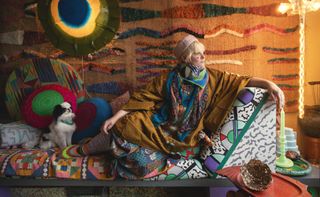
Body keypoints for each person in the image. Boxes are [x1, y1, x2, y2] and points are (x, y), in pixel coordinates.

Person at [63, 35, 285, 179]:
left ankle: (113, 153)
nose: (203, 56)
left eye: (202, 52)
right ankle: (88, 148)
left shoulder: (214, 78)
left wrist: (270, 84)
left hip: (185, 137)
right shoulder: (168, 78)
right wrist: (114, 118)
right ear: (187, 58)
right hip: (159, 126)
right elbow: (143, 97)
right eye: (198, 54)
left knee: (142, 165)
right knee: (128, 123)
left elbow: (242, 81)